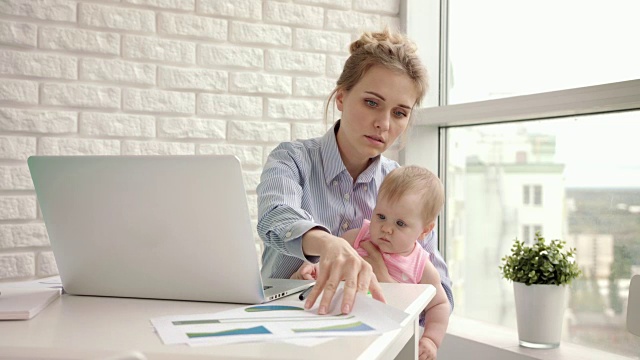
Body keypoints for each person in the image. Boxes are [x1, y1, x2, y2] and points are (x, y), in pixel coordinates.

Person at [256, 27, 453, 318]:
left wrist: (384, 278)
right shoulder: (292, 159)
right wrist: (329, 244)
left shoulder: (408, 190)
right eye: (372, 103)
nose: (384, 124)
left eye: (399, 113)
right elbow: (274, 216)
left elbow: (440, 297)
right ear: (341, 98)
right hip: (283, 324)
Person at [293, 165, 449, 360]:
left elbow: (440, 304)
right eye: (381, 217)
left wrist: (431, 340)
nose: (386, 229)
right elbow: (332, 260)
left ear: (425, 230)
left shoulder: (421, 266)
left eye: (400, 224)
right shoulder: (356, 238)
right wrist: (313, 268)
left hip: (391, 341)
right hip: (339, 328)